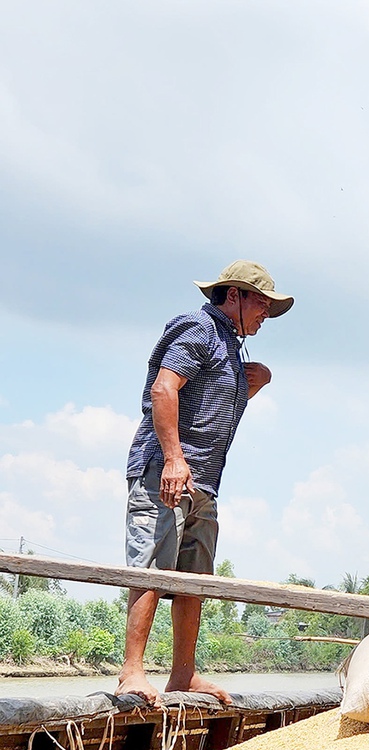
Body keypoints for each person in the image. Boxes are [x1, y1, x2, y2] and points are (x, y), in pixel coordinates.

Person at [116, 260, 293, 704]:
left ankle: (183, 674)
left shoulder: (230, 346)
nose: (265, 315)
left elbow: (214, 406)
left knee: (195, 578)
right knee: (152, 567)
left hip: (205, 483)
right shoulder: (198, 327)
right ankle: (131, 672)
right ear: (234, 295)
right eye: (261, 304)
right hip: (166, 473)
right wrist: (174, 460)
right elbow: (164, 389)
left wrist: (256, 382)